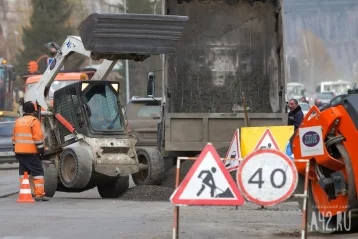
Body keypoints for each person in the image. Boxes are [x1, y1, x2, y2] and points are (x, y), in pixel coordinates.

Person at [12, 101, 49, 201]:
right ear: (33, 111)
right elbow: (38, 139)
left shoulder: (18, 121)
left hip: (19, 152)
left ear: (24, 110)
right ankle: (39, 194)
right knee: (38, 172)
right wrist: (41, 152)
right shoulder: (34, 121)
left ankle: (26, 191)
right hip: (31, 153)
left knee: (23, 172)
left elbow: (14, 139)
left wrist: (15, 150)